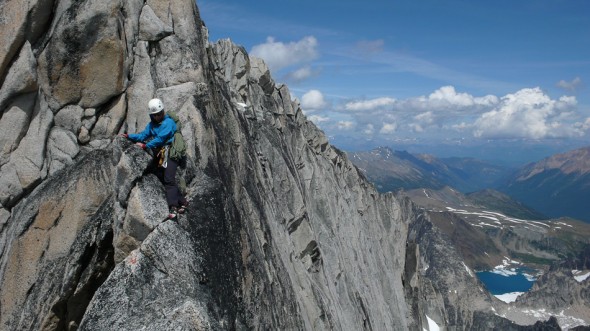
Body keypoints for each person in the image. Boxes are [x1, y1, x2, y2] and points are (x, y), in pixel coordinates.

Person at [120, 98, 188, 219]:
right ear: (152, 115)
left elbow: (161, 139)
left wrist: (146, 146)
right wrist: (129, 136)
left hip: (172, 153)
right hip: (163, 153)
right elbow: (143, 135)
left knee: (168, 179)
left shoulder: (168, 123)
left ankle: (173, 207)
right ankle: (183, 202)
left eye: (160, 113)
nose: (158, 116)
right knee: (164, 178)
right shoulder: (152, 125)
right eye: (156, 115)